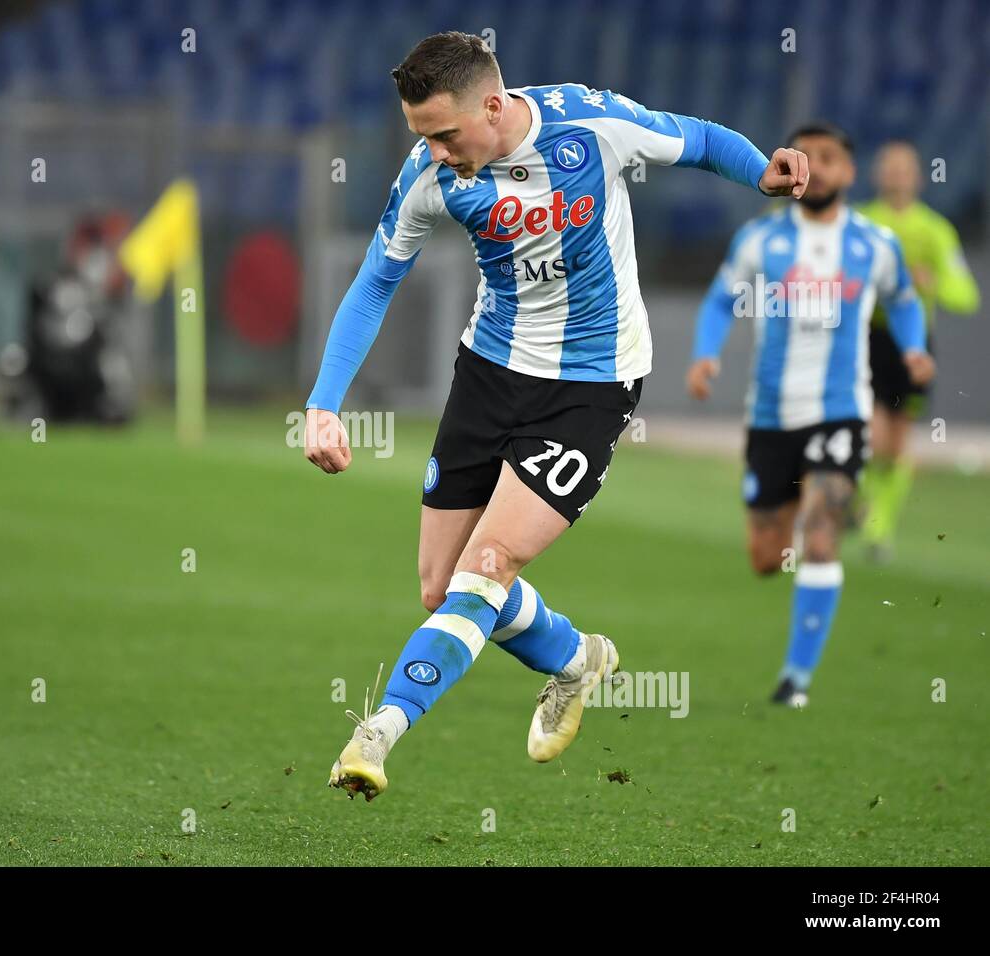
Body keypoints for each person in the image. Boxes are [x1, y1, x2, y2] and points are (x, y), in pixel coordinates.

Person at [303, 31, 810, 800]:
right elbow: (376, 281)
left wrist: (761, 170)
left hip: (591, 385)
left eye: (445, 134)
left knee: (489, 567)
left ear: (495, 105)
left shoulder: (590, 124)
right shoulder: (428, 176)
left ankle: (379, 731)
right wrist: (322, 404)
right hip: (489, 373)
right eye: (422, 137)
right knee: (442, 589)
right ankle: (576, 659)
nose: (436, 153)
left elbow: (698, 140)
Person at [687, 123, 934, 709]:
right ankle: (810, 502)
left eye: (829, 159)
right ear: (788, 167)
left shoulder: (874, 244)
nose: (816, 168)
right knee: (767, 559)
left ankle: (795, 680)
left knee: (821, 538)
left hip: (839, 412)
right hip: (770, 417)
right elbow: (722, 298)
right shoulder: (759, 240)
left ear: (850, 173)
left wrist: (915, 346)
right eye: (806, 157)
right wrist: (704, 354)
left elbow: (903, 302)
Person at [856, 142, 980, 560]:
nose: (895, 176)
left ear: (918, 177)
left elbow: (966, 295)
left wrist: (934, 283)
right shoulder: (861, 222)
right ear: (877, 175)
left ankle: (879, 531)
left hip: (912, 346)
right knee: (870, 435)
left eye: (902, 169)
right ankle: (866, 511)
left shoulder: (935, 231)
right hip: (867, 339)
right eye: (888, 168)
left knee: (895, 446)